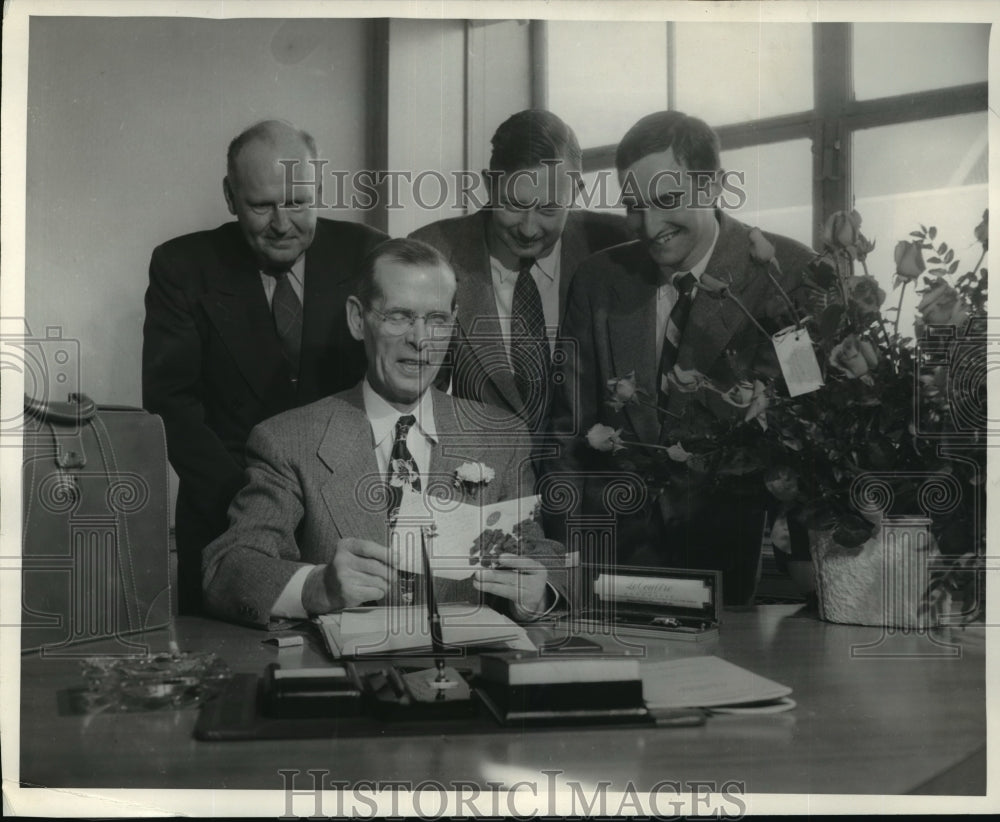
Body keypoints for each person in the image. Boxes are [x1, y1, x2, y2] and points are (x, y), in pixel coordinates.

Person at [202, 238, 566, 628]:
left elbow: (543, 558)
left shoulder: (500, 437)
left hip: (469, 675)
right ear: (358, 319)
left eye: (437, 319)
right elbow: (226, 569)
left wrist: (539, 593)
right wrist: (317, 587)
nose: (420, 339)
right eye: (400, 316)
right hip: (347, 681)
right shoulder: (288, 441)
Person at [546, 111, 816, 605]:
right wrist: (563, 573)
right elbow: (568, 437)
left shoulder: (789, 274)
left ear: (712, 185)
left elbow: (812, 433)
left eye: (668, 201)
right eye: (633, 206)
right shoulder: (598, 279)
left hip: (732, 574)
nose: (649, 227)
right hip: (606, 570)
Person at [142, 120, 387, 614]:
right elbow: (172, 405)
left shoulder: (369, 253)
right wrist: (253, 506)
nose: (282, 223)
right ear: (230, 198)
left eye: (298, 202)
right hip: (225, 518)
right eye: (261, 205)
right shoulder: (181, 267)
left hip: (343, 525)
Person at [410, 109, 631, 433]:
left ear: (577, 191)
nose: (528, 230)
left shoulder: (618, 245)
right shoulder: (432, 254)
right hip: (478, 470)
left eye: (548, 209)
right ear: (488, 184)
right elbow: (415, 397)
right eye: (513, 205)